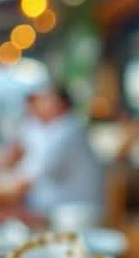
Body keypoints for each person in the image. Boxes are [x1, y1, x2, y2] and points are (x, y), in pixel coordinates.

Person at [9, 87, 103, 222]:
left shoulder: (68, 132)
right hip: (61, 208)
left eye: (44, 100)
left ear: (60, 104)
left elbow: (32, 178)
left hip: (73, 213)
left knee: (3, 218)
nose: (37, 105)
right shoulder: (56, 130)